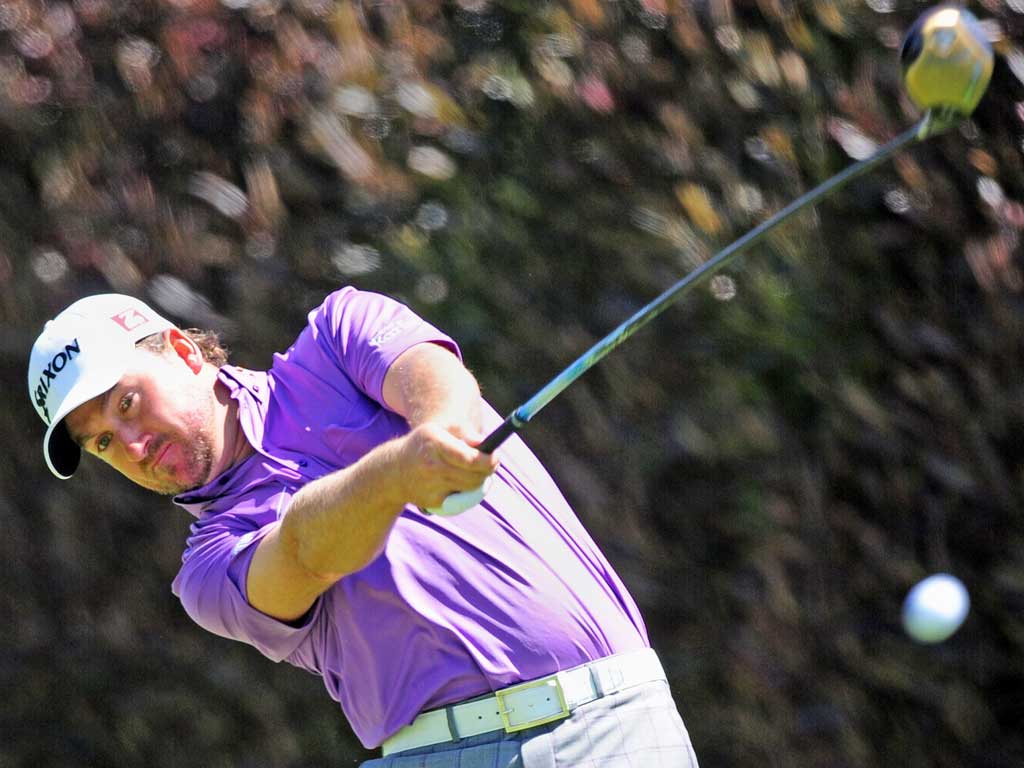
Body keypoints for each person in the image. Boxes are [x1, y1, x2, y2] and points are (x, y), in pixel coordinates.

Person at [28, 288, 699, 767]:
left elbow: (438, 383)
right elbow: (304, 553)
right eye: (104, 445)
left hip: (614, 725)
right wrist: (396, 473)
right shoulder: (207, 570)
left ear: (183, 352)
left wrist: (441, 430)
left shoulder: (338, 337)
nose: (133, 444)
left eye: (127, 403)